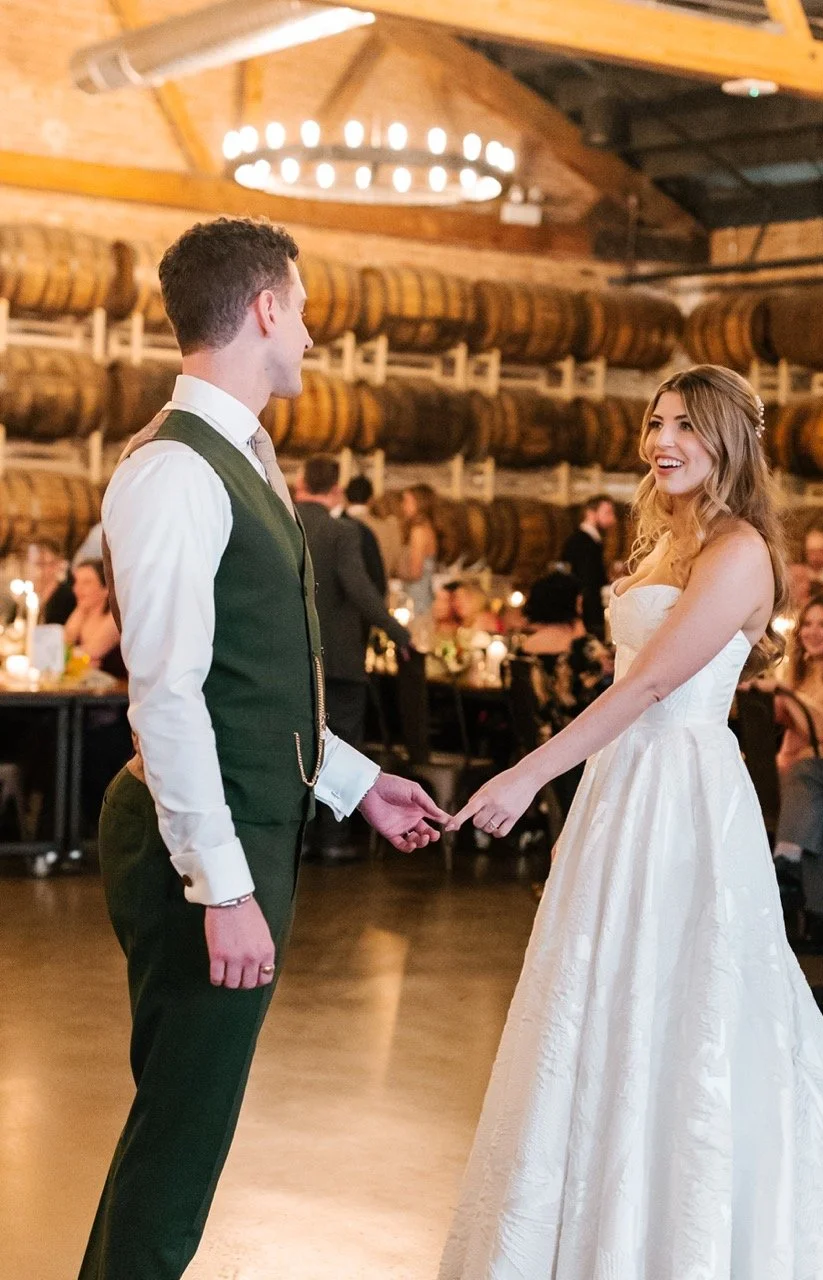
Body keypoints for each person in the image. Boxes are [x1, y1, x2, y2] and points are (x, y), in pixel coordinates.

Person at [78, 217, 447, 1280]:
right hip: (201, 846)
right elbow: (171, 697)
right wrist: (221, 887)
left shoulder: (238, 456)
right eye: (303, 307)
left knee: (179, 1124)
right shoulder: (174, 473)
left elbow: (257, 685)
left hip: (242, 822)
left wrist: (360, 782)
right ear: (265, 309)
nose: (314, 336)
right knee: (183, 1133)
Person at [441, 365, 823, 1279]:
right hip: (622, 789)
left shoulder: (738, 547)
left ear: (728, 443)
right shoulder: (665, 535)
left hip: (682, 793)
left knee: (685, 999)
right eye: (656, 422)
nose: (663, 441)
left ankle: (675, 1229)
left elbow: (653, 682)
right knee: (599, 990)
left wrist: (526, 772)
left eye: (687, 427)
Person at [295, 454, 411, 861]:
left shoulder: (282, 522)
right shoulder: (342, 533)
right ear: (336, 490)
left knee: (300, 745)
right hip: (340, 662)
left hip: (294, 661)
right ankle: (333, 840)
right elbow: (362, 592)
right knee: (342, 744)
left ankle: (301, 836)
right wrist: (400, 633)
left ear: (300, 483)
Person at [765, 595, 823, 950]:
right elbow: (790, 727)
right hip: (810, 775)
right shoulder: (798, 670)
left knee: (806, 772)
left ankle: (786, 855)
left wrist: (788, 695)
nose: (814, 632)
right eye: (809, 625)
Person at [514, 569, 613, 818]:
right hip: (578, 747)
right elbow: (610, 689)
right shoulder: (584, 648)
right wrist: (579, 628)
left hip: (536, 744)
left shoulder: (522, 651)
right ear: (572, 604)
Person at [558, 493, 617, 639]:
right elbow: (587, 581)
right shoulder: (582, 541)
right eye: (607, 513)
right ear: (591, 513)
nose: (612, 519)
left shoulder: (592, 540)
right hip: (586, 612)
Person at [64, 560, 125, 679]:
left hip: (114, 693)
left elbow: (92, 652)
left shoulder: (114, 618)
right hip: (84, 688)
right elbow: (61, 646)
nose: (77, 589)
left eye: (86, 583)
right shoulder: (82, 612)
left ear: (106, 588)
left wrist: (72, 658)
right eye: (76, 582)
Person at [342, 473, 387, 597]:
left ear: (346, 496)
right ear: (371, 498)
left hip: (342, 601)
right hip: (377, 598)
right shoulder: (386, 527)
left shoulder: (334, 526)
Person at [400, 483, 438, 618]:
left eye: (407, 501)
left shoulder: (418, 531)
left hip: (416, 597)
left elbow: (415, 571)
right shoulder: (428, 527)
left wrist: (396, 573)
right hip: (424, 594)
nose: (403, 507)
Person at [26, 539, 76, 625]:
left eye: (42, 563)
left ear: (57, 564)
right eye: (33, 563)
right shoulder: (27, 591)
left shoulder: (67, 596)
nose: (38, 570)